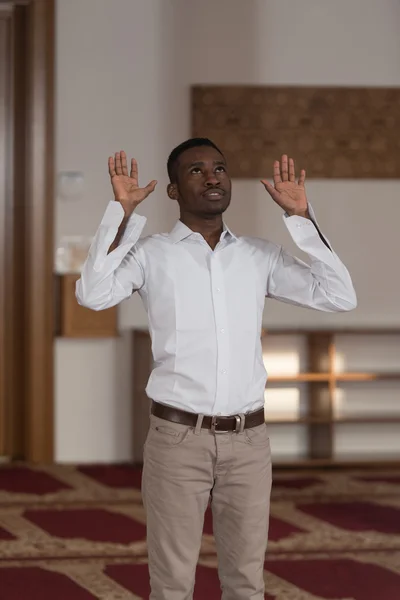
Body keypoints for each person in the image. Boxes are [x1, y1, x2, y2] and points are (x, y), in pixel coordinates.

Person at [76, 138, 356, 599]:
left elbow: (340, 296)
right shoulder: (149, 254)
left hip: (249, 443)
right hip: (177, 441)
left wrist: (302, 221)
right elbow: (92, 294)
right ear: (172, 190)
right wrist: (120, 215)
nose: (212, 178)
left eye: (220, 169)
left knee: (246, 582)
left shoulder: (258, 255)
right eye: (196, 171)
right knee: (172, 585)